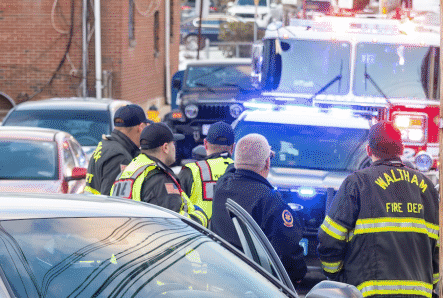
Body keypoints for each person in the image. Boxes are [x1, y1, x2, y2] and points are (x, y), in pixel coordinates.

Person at [317, 122, 440, 298]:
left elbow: (330, 238)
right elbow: (437, 248)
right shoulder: (427, 188)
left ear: (368, 150)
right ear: (401, 149)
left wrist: (337, 278)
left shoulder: (358, 183)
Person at [210, 133, 309, 287]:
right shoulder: (270, 200)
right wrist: (297, 275)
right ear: (267, 163)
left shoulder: (222, 186)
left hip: (220, 278)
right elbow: (287, 249)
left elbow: (231, 170)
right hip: (255, 287)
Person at [109, 122, 207, 225]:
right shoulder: (158, 178)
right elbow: (175, 224)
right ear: (165, 148)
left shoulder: (126, 173)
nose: (174, 147)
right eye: (172, 143)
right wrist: (200, 216)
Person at [84, 104, 149, 195]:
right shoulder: (120, 156)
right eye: (146, 127)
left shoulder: (106, 145)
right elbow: (113, 200)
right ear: (140, 128)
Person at [177, 121, 235, 224]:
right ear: (233, 147)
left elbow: (175, 208)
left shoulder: (191, 171)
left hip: (199, 237)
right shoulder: (242, 171)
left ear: (205, 144)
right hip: (236, 238)